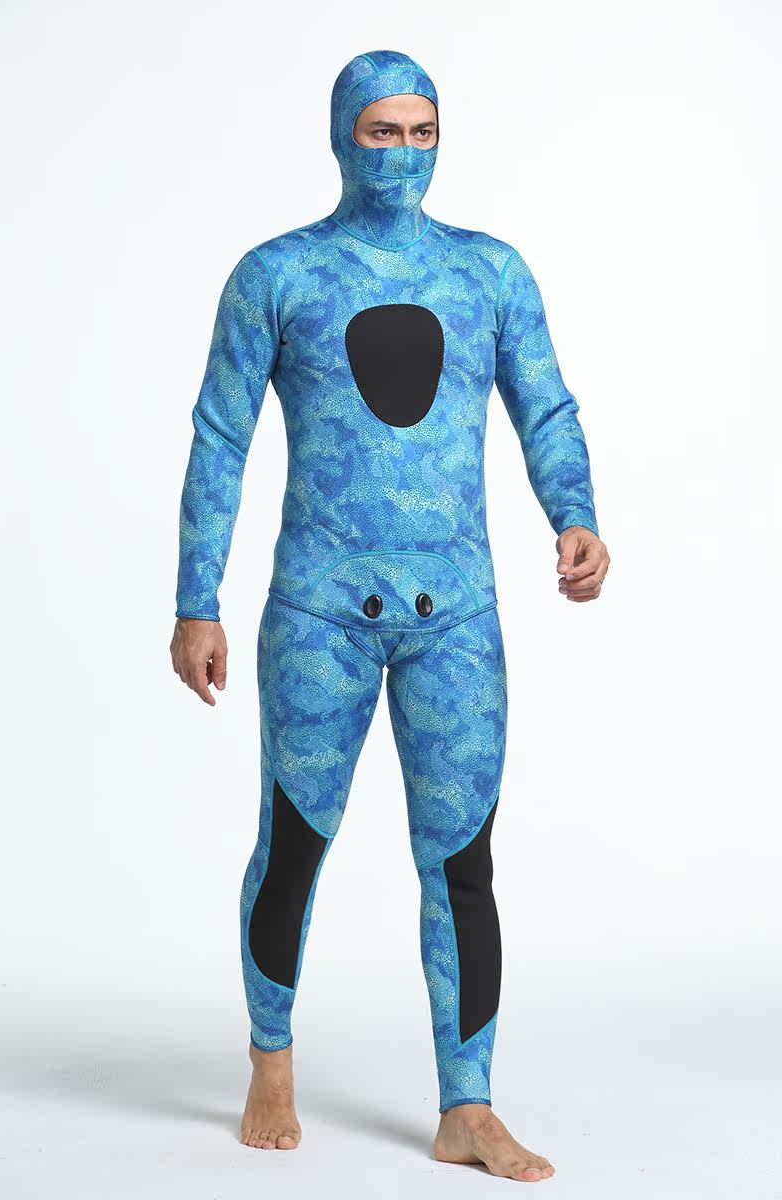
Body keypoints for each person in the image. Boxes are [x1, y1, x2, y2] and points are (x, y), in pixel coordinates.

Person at [170, 49, 609, 1181]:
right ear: (340, 135)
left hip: (453, 612)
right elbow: (220, 437)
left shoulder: (488, 272)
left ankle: (468, 1105)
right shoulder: (277, 275)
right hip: (319, 608)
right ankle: (271, 1059)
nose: (403, 153)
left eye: (422, 132)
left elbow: (545, 406)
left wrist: (574, 513)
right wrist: (195, 600)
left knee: (462, 860)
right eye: (382, 130)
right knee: (293, 844)